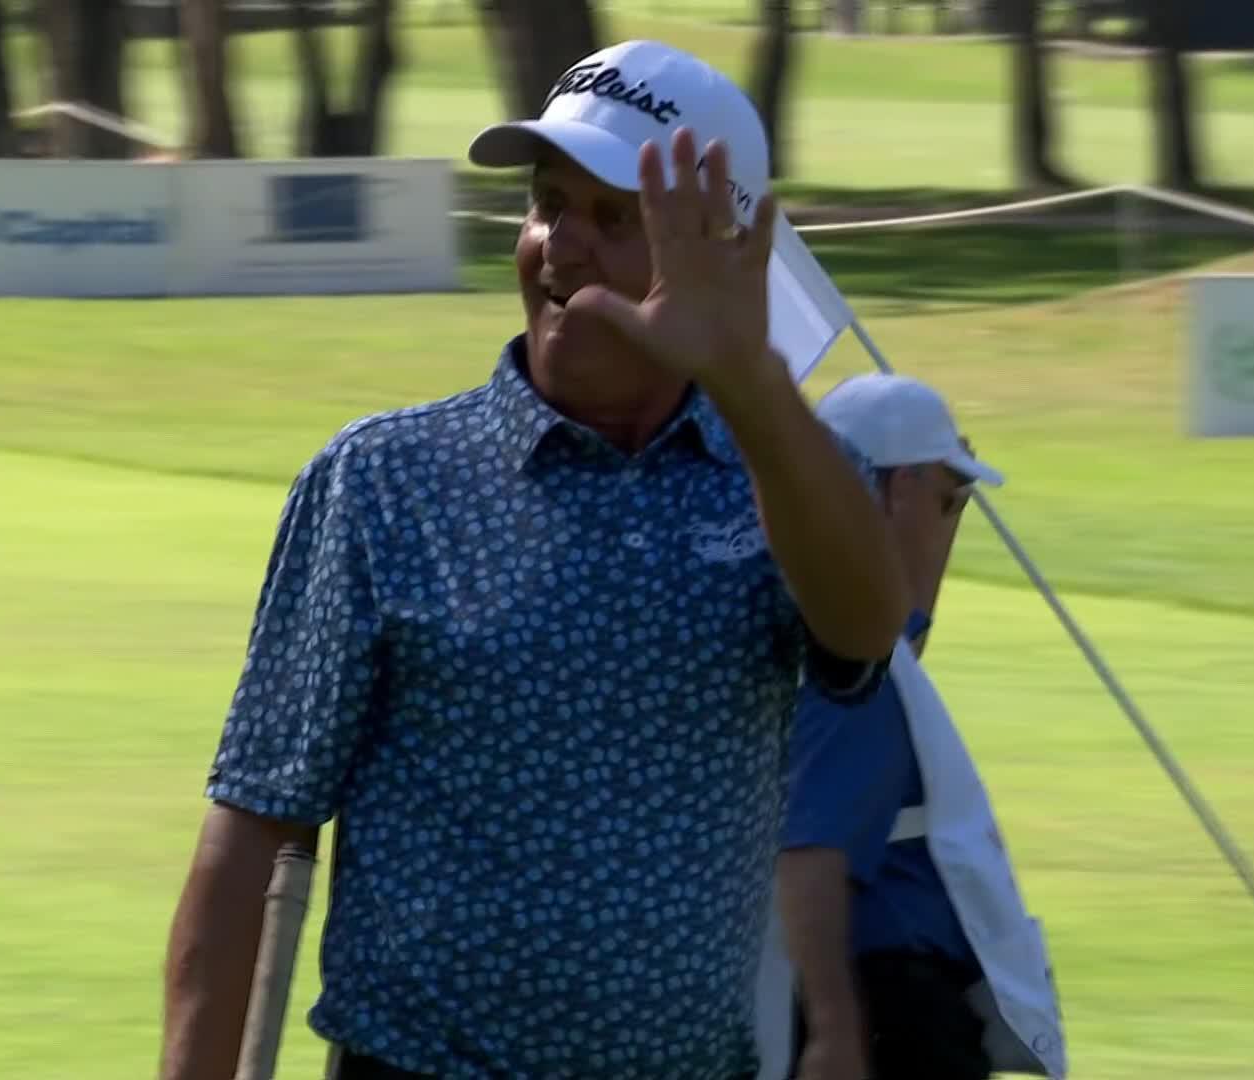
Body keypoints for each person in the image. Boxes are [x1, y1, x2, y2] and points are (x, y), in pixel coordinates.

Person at [157, 38, 912, 1080]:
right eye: (549, 203)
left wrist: (749, 378)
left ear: (723, 254)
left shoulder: (784, 471)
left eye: (617, 219)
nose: (562, 248)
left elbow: (866, 624)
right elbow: (253, 827)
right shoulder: (384, 479)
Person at [769, 373, 1063, 1080]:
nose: (952, 527)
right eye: (950, 501)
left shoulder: (855, 636)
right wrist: (835, 1032)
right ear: (895, 494)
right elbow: (809, 853)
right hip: (888, 1013)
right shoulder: (852, 658)